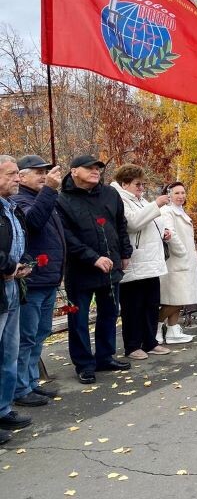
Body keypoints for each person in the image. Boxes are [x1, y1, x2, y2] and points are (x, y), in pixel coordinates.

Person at [58, 155, 132, 384]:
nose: (95, 171)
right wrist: (93, 258)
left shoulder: (110, 194)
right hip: (80, 270)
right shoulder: (62, 200)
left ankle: (105, 356)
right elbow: (67, 237)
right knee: (78, 319)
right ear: (74, 171)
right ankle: (84, 364)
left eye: (98, 167)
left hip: (110, 266)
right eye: (89, 167)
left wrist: (125, 253)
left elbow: (121, 224)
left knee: (109, 313)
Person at [12, 156, 64, 407]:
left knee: (40, 333)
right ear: (21, 177)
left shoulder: (42, 198)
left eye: (45, 172)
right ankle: (21, 388)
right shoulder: (19, 200)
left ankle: (31, 382)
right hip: (32, 282)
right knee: (27, 337)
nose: (44, 176)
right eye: (37, 172)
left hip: (47, 280)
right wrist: (50, 190)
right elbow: (33, 222)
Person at [112, 164, 172, 360]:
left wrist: (162, 231)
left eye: (143, 184)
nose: (141, 188)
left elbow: (151, 222)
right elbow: (133, 223)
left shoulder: (139, 199)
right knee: (133, 307)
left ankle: (150, 341)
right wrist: (156, 205)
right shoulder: (120, 199)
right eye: (138, 184)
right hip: (135, 261)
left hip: (151, 262)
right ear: (125, 183)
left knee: (151, 304)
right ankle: (132, 345)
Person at [0, 156, 34, 439]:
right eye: (11, 174)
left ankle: (3, 409)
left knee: (9, 354)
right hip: (3, 283)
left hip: (11, 287)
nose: (17, 179)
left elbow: (19, 241)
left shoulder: (11, 208)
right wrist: (9, 266)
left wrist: (25, 262)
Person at [158, 182, 197, 344]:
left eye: (183, 192)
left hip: (183, 260)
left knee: (178, 297)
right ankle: (156, 325)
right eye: (176, 193)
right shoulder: (167, 211)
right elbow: (170, 234)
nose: (181, 196)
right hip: (176, 261)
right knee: (176, 299)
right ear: (169, 195)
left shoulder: (178, 210)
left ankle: (173, 330)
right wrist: (183, 253)